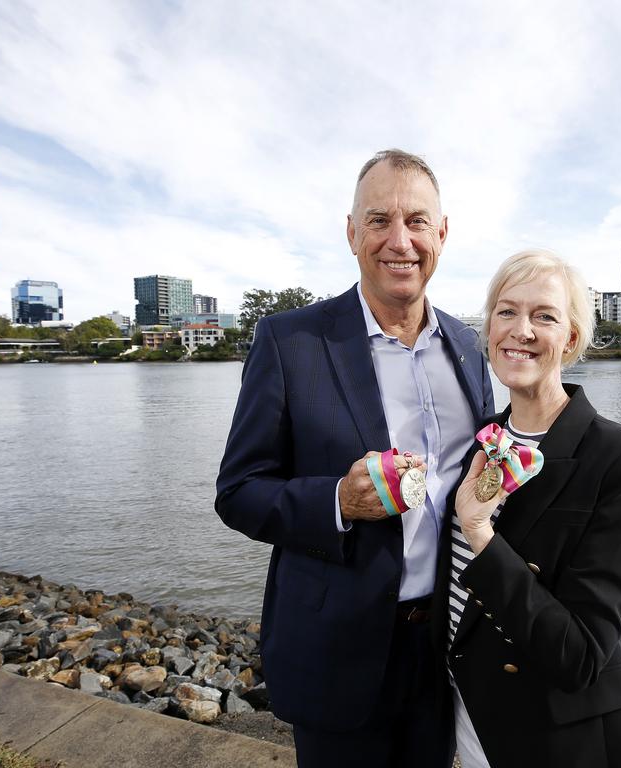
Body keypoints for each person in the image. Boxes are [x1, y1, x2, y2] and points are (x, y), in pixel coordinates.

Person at [216, 149, 494, 767]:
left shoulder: (470, 347)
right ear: (351, 232)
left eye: (418, 221)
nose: (401, 240)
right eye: (379, 220)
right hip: (335, 648)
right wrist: (336, 502)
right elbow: (238, 491)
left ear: (442, 234)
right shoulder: (290, 341)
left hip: (445, 645)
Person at [433, 249, 621, 768]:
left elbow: (580, 655)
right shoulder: (478, 442)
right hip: (466, 712)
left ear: (572, 339)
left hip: (554, 733)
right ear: (489, 329)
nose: (522, 330)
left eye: (545, 316)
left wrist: (479, 532)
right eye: (507, 311)